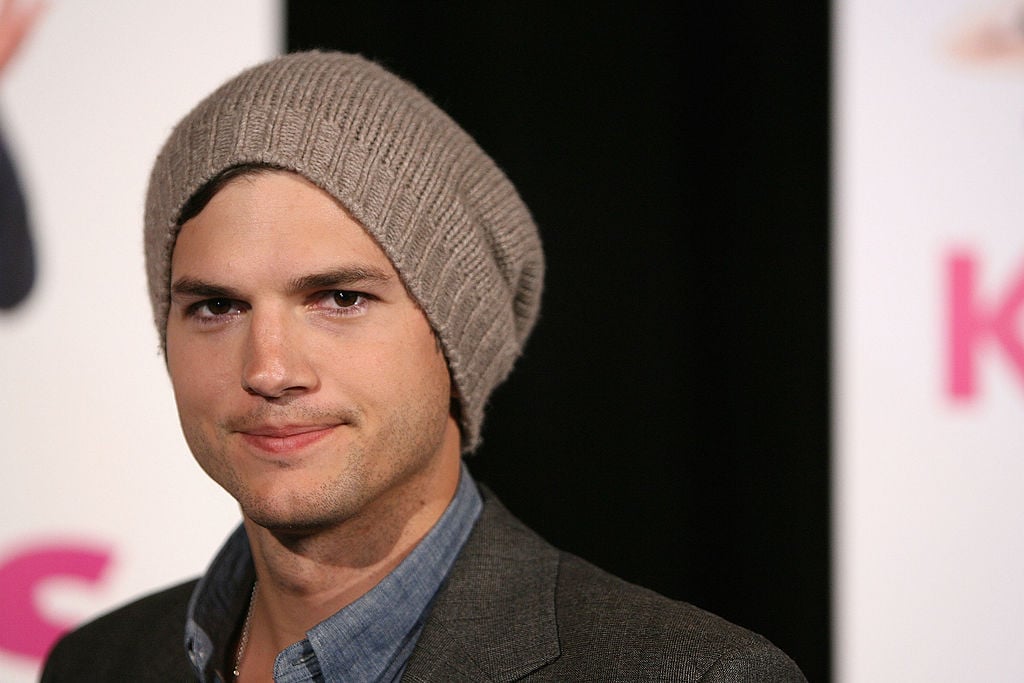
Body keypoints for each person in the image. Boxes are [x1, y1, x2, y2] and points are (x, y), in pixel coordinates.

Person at [41, 50, 808, 682]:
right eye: (215, 307)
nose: (270, 368)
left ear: (454, 335)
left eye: (338, 298)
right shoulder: (96, 664)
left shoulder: (690, 675)